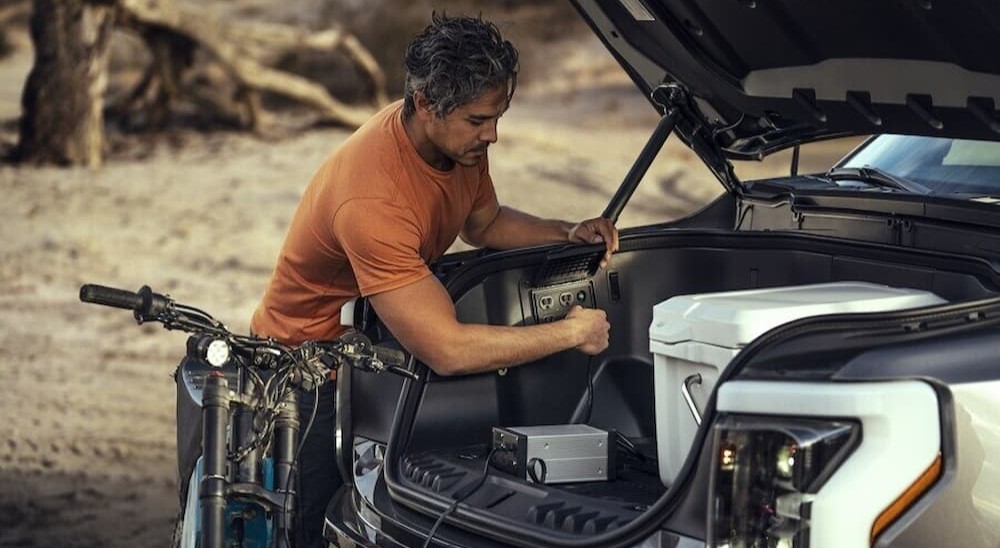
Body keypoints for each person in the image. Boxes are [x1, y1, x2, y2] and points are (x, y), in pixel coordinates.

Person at [250, 12, 617, 547]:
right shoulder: (371, 198)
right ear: (426, 104)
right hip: (307, 372)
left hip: (374, 349)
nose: (492, 134)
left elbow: (484, 223)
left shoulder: (456, 147)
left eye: (498, 116)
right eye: (477, 120)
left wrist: (567, 233)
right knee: (314, 531)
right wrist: (571, 333)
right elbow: (446, 349)